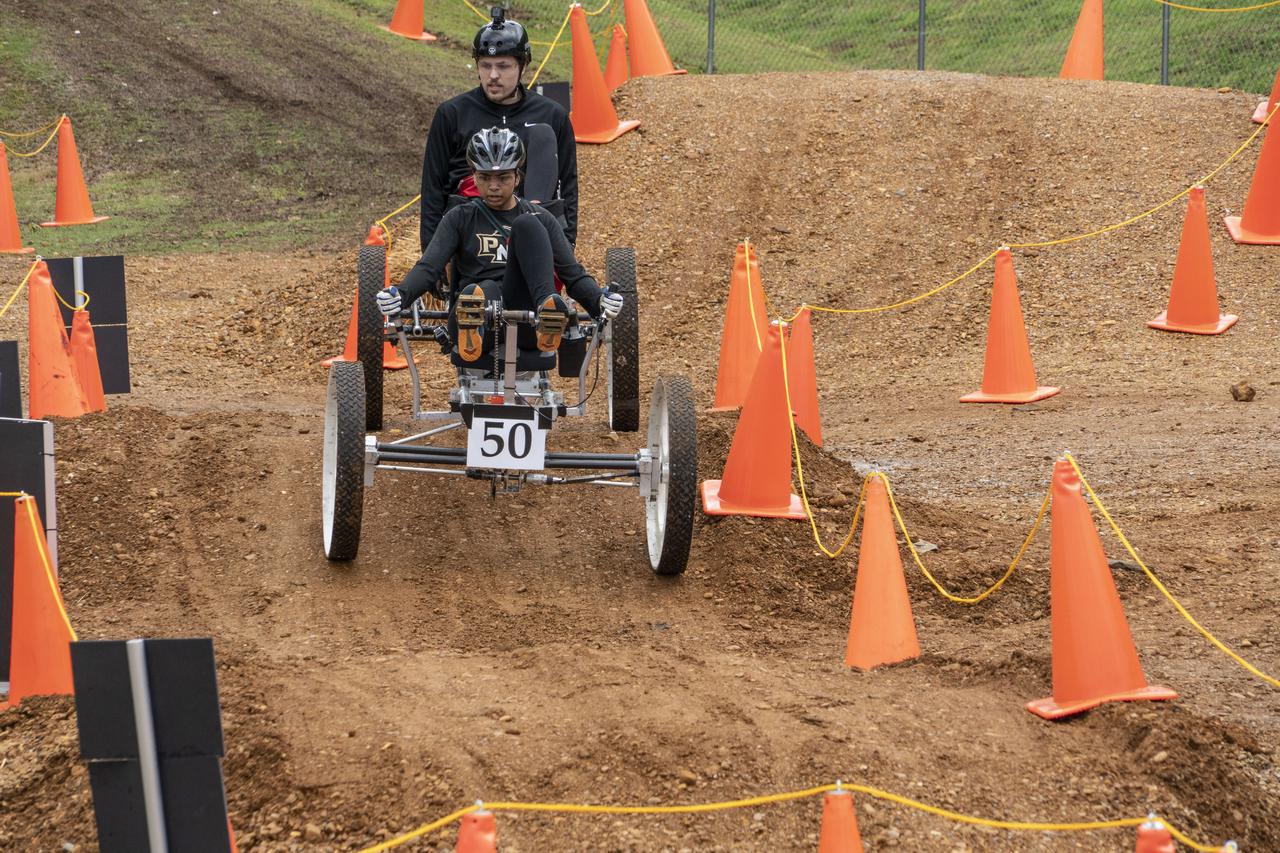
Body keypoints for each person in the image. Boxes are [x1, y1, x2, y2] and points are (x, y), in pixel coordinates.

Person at [379, 128, 622, 365]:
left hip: (525, 320)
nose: (494, 186)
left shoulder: (540, 218)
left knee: (527, 223)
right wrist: (401, 295)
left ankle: (547, 313)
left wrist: (598, 300)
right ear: (473, 177)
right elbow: (429, 267)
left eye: (503, 177)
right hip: (469, 321)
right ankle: (474, 322)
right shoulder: (459, 217)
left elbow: (573, 274)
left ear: (517, 177)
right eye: (485, 178)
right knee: (482, 291)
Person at [419, 8, 578, 256]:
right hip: (467, 223)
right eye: (486, 66)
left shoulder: (552, 115)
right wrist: (430, 252)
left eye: (503, 66)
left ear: (522, 67)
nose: (493, 76)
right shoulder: (452, 113)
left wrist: (567, 245)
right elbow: (432, 186)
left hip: (530, 221)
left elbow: (568, 184)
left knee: (542, 137)